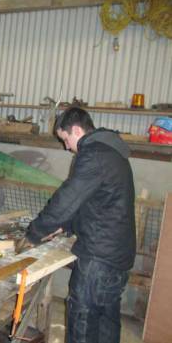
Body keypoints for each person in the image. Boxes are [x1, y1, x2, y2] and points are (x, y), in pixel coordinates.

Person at [24, 107, 136, 343]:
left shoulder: (93, 155)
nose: (66, 147)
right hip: (116, 253)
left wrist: (35, 232)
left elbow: (67, 199)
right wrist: (67, 226)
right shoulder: (112, 153)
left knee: (82, 320)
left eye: (66, 139)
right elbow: (99, 203)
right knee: (105, 319)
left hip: (98, 258)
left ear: (76, 129)